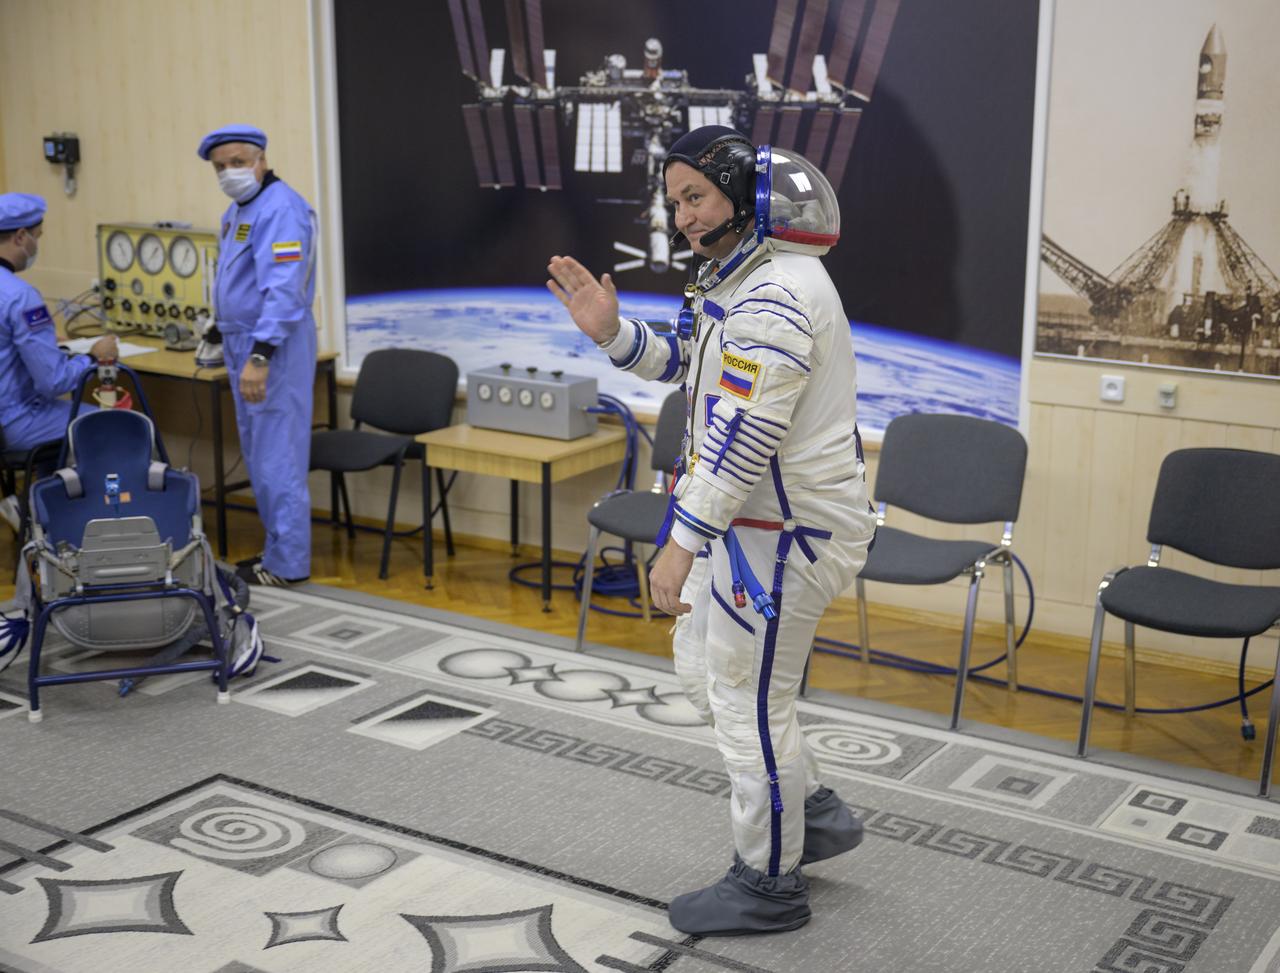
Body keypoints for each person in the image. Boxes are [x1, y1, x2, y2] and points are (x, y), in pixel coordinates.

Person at [547, 126, 877, 935]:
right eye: (675, 202)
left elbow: (740, 438)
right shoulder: (744, 278)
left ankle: (769, 885)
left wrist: (679, 542)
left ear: (746, 194)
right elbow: (692, 370)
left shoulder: (778, 294)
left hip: (780, 530)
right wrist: (611, 335)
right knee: (705, 669)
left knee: (746, 699)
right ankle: (814, 813)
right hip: (752, 521)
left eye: (696, 196)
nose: (684, 217)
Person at [197, 125, 317, 586]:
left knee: (276, 457)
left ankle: (288, 566)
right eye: (220, 166)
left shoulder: (282, 209)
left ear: (260, 160)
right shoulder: (239, 210)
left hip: (273, 345)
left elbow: (284, 293)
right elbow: (239, 281)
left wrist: (260, 355)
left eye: (237, 162)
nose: (229, 173)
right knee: (259, 453)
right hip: (240, 340)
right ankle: (276, 553)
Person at [0, 193, 117, 530]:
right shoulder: (20, 296)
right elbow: (53, 382)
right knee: (113, 424)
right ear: (21, 237)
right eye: (37, 236)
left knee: (66, 425)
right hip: (18, 422)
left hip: (4, 418)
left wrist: (51, 347)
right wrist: (93, 357)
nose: (36, 245)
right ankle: (105, 523)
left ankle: (42, 510)